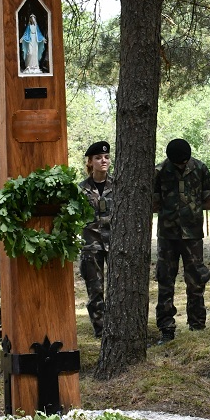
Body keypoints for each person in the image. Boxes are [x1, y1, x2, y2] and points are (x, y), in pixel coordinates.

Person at [152, 138, 210, 344]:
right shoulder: (159, 171)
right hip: (167, 236)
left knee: (196, 281)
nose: (181, 166)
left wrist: (190, 209)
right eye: (177, 163)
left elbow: (208, 202)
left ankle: (197, 325)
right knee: (165, 281)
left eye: (184, 162)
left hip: (193, 236)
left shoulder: (200, 168)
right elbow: (153, 204)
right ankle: (166, 329)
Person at [78, 141, 113, 339]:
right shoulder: (81, 190)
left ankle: (117, 326)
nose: (104, 161)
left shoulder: (117, 185)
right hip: (91, 245)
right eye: (98, 158)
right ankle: (101, 330)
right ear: (90, 162)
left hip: (115, 244)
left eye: (107, 157)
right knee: (95, 289)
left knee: (118, 287)